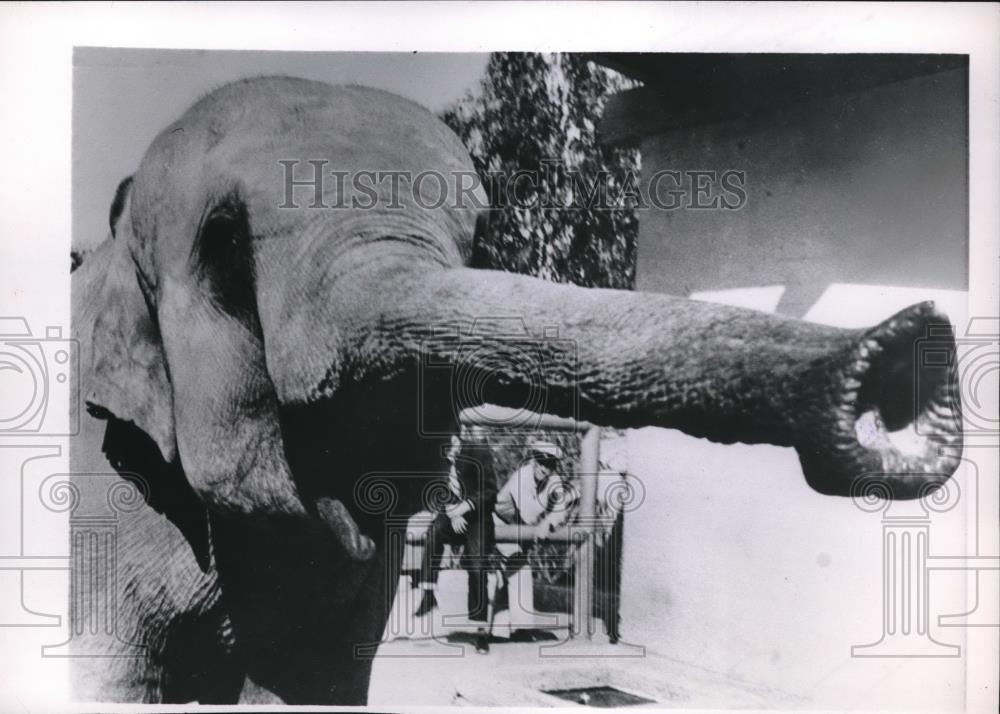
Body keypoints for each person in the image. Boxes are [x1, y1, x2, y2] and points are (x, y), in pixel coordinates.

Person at [413, 432, 497, 653]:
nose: (450, 450)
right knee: (434, 532)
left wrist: (464, 507)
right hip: (452, 515)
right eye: (445, 446)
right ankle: (429, 592)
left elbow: (490, 492)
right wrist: (452, 510)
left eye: (453, 444)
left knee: (477, 565)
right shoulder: (437, 457)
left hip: (477, 516)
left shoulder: (479, 451)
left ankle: (480, 632)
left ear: (461, 438)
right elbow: (432, 490)